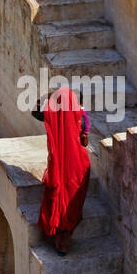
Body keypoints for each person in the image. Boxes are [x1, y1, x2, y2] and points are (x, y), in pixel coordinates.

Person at [35, 86, 90, 255]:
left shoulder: (52, 114)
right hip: (77, 166)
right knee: (72, 198)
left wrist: (43, 100)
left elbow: (37, 113)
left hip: (58, 165)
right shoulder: (80, 116)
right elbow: (85, 142)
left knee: (57, 194)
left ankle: (58, 234)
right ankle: (66, 234)